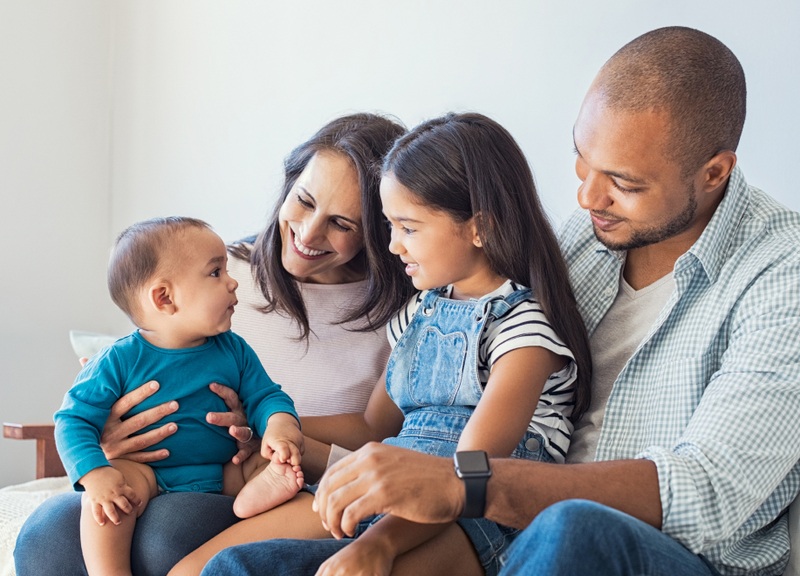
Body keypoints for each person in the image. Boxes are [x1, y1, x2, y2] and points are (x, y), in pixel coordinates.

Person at [200, 27, 800, 576]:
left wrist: (467, 485)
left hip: (651, 551)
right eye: (582, 160)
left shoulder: (780, 273)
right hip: (505, 525)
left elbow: (709, 491)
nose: (588, 197)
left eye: (624, 182)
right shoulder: (584, 242)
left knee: (571, 530)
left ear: (715, 172)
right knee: (239, 569)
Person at [168, 111, 592, 576]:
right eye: (390, 226)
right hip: (388, 486)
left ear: (480, 228)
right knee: (201, 569)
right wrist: (269, 421)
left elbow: (470, 475)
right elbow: (373, 425)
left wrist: (379, 546)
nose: (391, 246)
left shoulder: (523, 332)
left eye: (408, 228)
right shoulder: (419, 313)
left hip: (470, 517)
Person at [15, 113, 414, 576]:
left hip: (260, 475)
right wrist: (106, 440)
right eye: (303, 201)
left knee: (166, 533)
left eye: (342, 223)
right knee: (47, 533)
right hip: (151, 467)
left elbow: (382, 433)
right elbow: (101, 396)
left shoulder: (403, 315)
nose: (307, 234)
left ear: (379, 229)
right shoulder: (211, 273)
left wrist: (271, 430)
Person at [54, 216, 305, 574]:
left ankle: (255, 496)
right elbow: (72, 420)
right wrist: (95, 476)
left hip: (224, 470)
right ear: (165, 297)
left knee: (268, 462)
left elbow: (266, 396)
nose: (233, 282)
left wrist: (280, 428)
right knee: (110, 501)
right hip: (149, 473)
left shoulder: (234, 350)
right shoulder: (119, 359)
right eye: (216, 272)